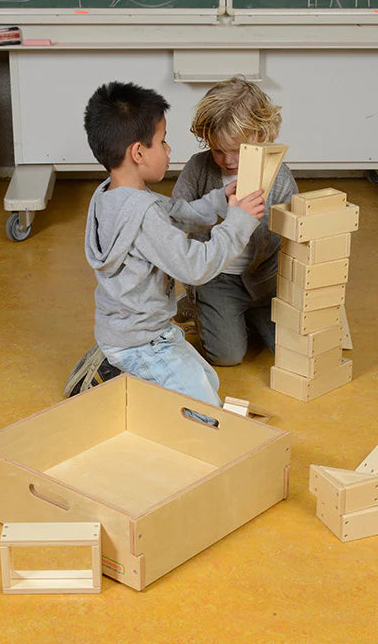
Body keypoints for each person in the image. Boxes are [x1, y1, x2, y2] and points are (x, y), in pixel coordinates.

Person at [64, 81, 265, 407]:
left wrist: (219, 200)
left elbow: (173, 213)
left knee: (209, 379)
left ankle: (117, 362)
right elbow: (195, 266)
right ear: (138, 153)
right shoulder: (144, 215)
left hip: (135, 328)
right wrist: (238, 223)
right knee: (204, 408)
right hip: (142, 341)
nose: (169, 150)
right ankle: (115, 368)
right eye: (163, 141)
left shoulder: (113, 195)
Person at [171, 76, 298, 366]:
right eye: (218, 150)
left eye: (237, 150)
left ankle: (246, 314)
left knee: (288, 350)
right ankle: (200, 304)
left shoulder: (279, 176)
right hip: (218, 278)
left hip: (266, 280)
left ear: (261, 136)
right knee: (227, 356)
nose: (228, 161)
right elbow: (176, 216)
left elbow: (293, 236)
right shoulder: (198, 168)